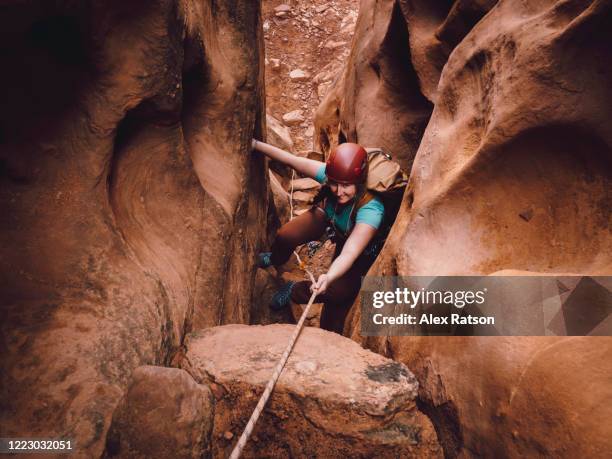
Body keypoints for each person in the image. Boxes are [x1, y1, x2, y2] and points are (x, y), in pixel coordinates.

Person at [252, 139, 386, 335]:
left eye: (347, 186)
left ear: (359, 181)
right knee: (285, 235)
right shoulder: (335, 175)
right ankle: (274, 258)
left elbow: (350, 252)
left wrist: (329, 275)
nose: (339, 191)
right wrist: (255, 144)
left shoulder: (372, 209)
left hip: (357, 243)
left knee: (338, 291)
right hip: (330, 216)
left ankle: (294, 290)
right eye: (334, 184)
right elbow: (291, 160)